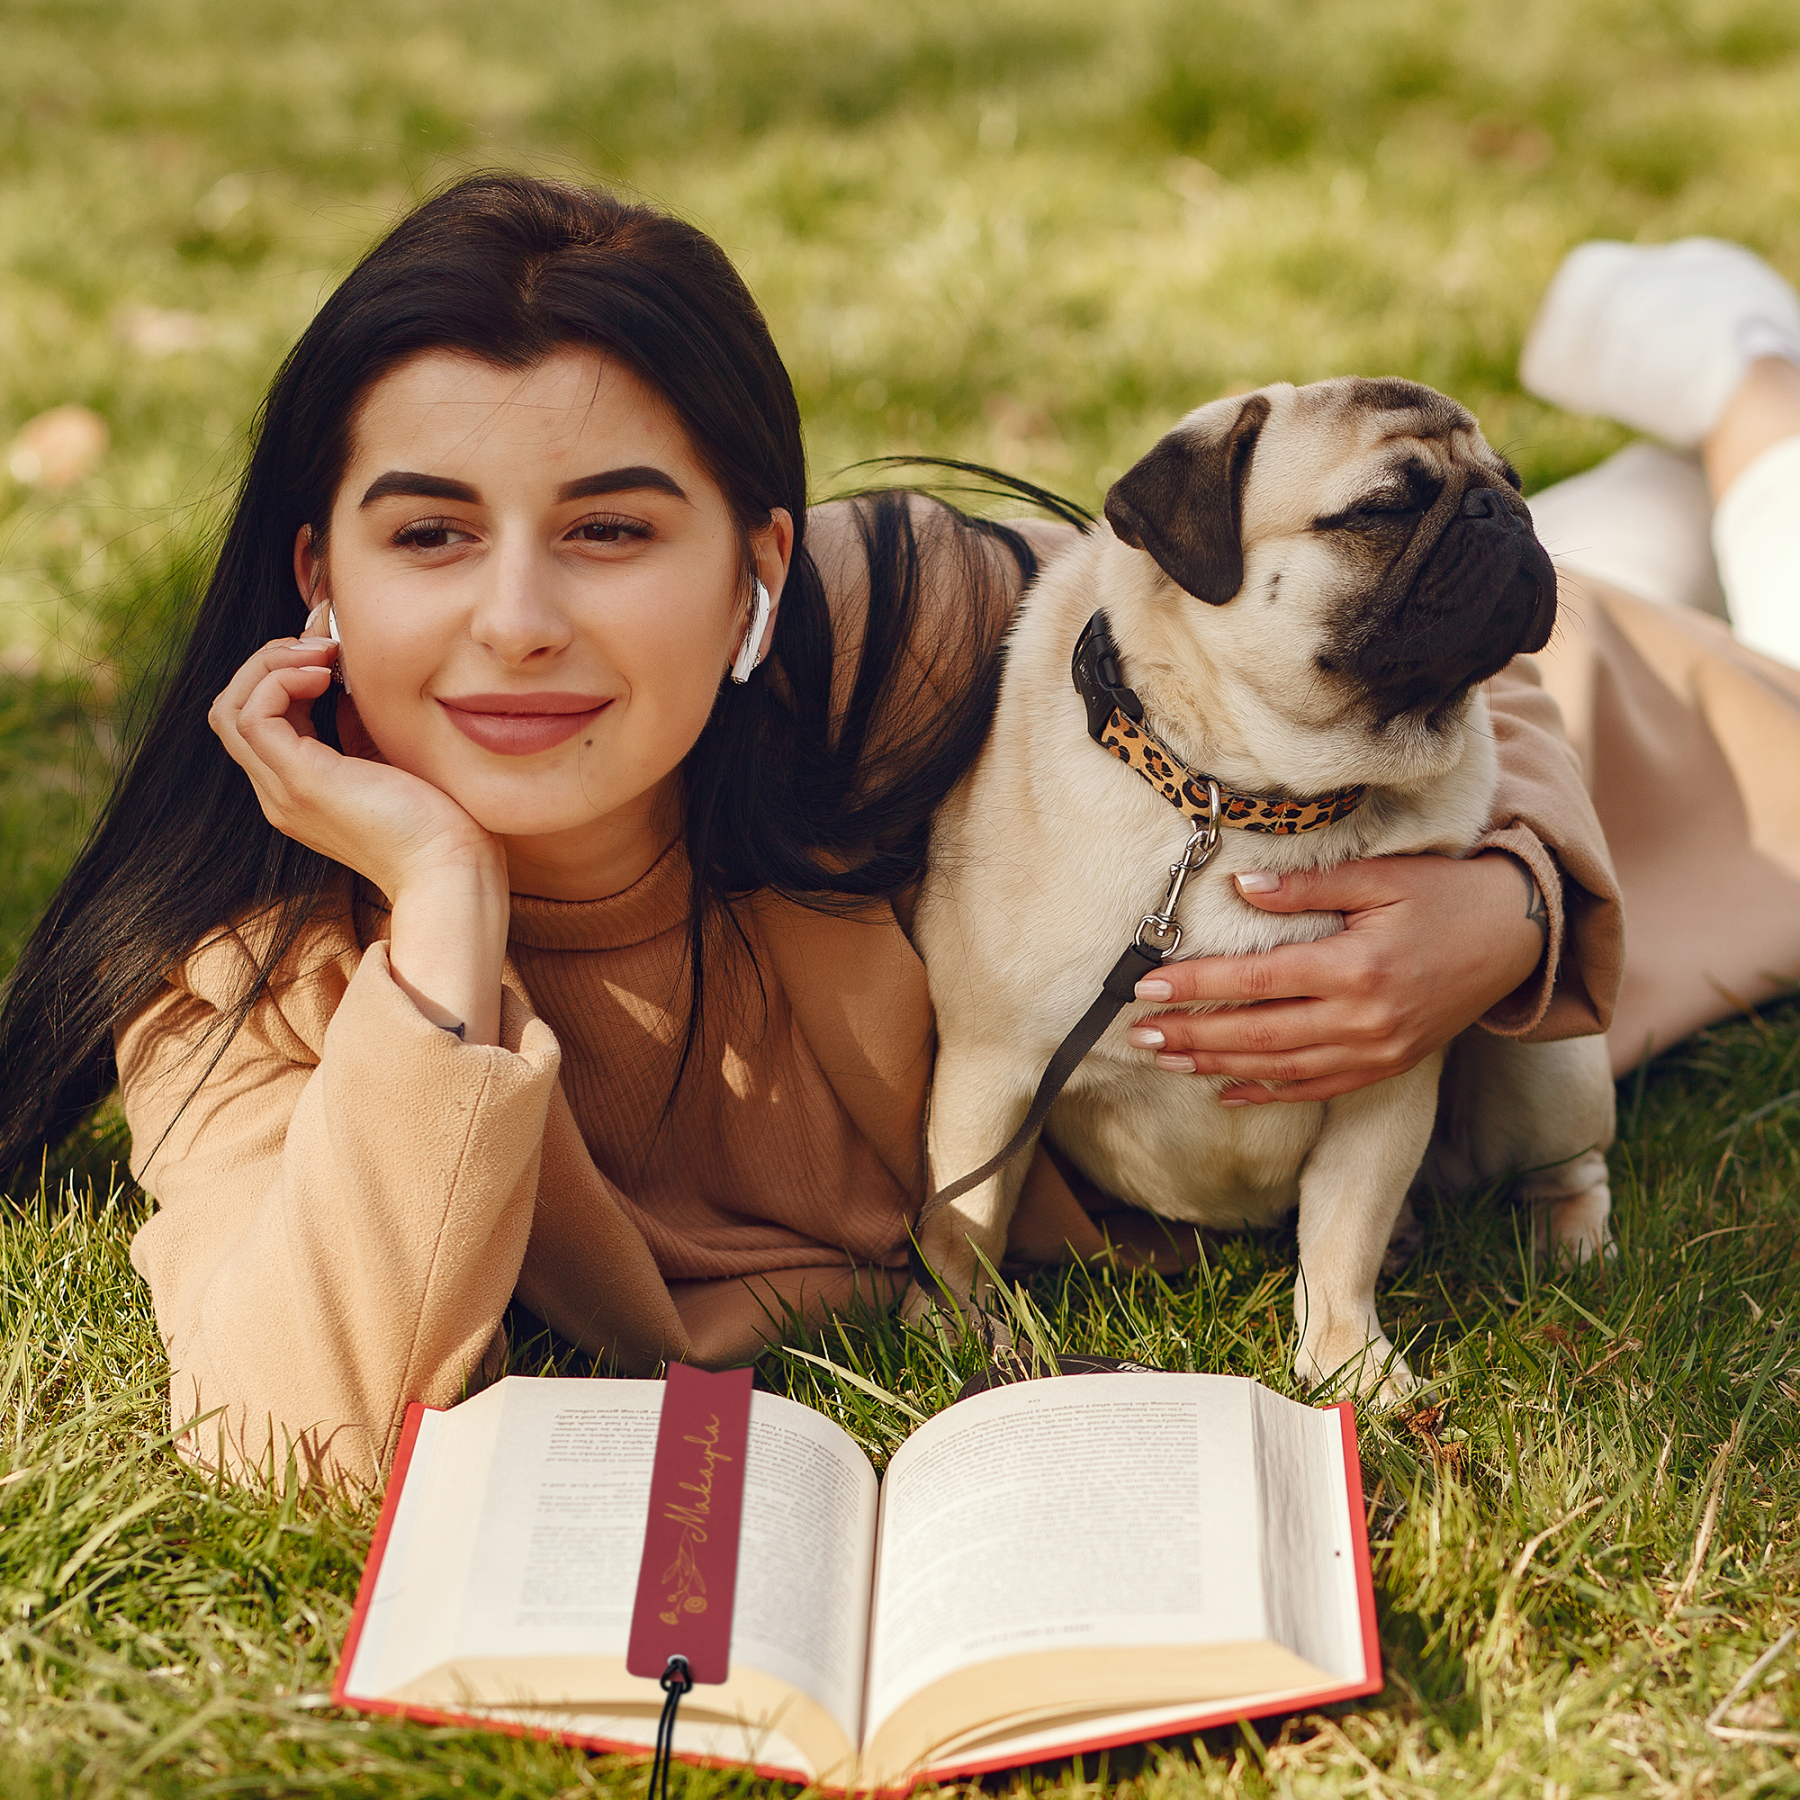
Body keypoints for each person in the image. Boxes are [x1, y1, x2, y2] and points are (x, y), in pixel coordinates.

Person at [0, 175, 1709, 1488]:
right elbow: (288, 1434)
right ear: (320, 578)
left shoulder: (894, 634)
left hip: (1656, 771)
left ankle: (1730, 379)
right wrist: (445, 910)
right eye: (430, 536)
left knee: (1702, 599)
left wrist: (1503, 906)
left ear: (754, 561)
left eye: (608, 531)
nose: (516, 621)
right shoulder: (255, 966)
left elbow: (1436, 670)